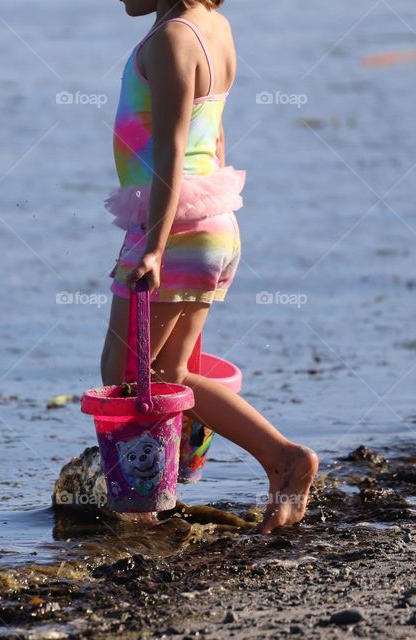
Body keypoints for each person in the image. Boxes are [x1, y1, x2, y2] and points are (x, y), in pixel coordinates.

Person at [99, 0, 319, 533]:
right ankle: (282, 460)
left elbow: (172, 149)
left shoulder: (171, 40)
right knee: (168, 375)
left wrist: (152, 245)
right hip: (209, 223)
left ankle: (147, 501)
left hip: (174, 228)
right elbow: (213, 137)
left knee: (123, 375)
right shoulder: (213, 29)